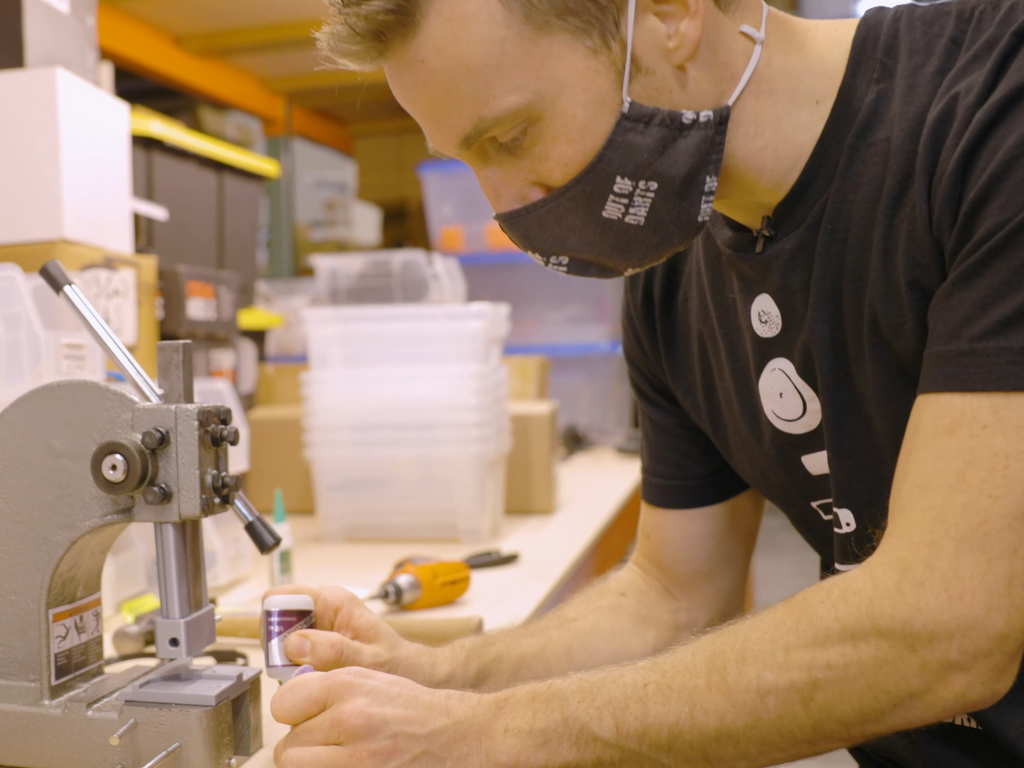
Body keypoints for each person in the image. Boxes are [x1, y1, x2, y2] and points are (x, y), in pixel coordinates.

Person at [268, 0, 1024, 764]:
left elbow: (947, 625)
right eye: (469, 161)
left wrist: (483, 736)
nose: (501, 209)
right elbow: (673, 596)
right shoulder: (673, 278)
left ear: (671, 14)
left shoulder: (996, 101)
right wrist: (442, 677)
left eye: (510, 136)